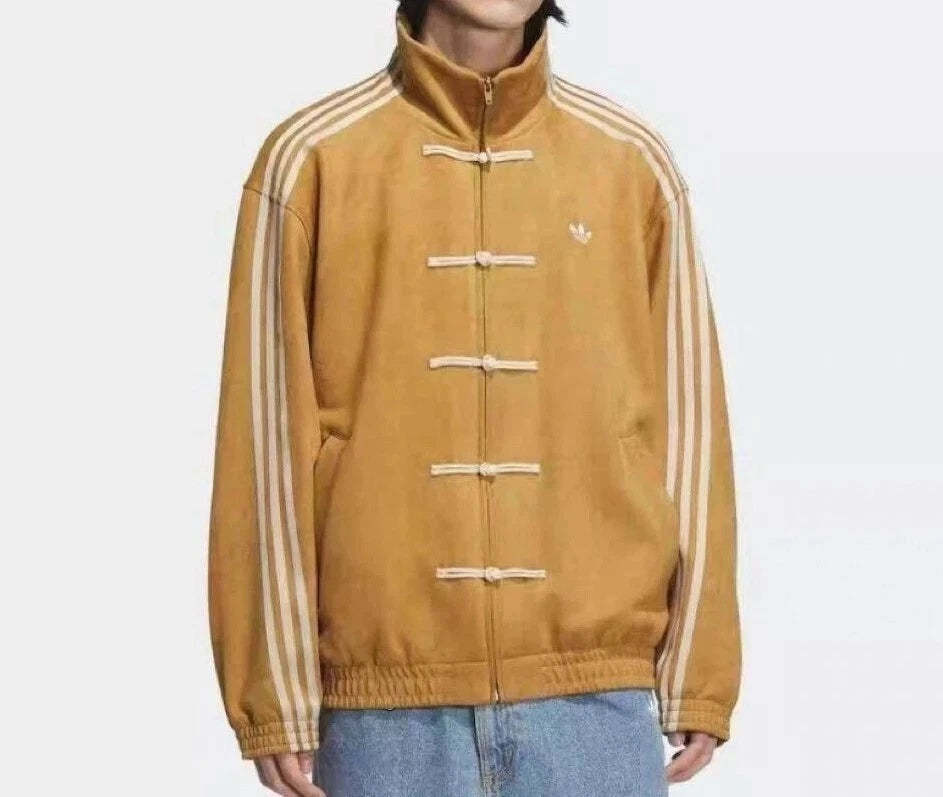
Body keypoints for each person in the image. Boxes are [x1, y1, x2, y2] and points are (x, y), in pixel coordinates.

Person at [208, 1, 741, 794]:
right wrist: (272, 687)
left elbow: (689, 426)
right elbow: (263, 435)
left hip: (594, 705)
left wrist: (699, 664)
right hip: (385, 712)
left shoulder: (629, 162)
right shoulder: (312, 157)